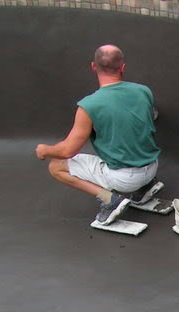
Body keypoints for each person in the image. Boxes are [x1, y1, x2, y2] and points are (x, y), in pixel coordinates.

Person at [35, 45, 160, 225]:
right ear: (123, 67)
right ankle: (144, 188)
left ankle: (110, 200)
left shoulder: (89, 106)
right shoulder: (144, 91)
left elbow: (67, 151)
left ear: (93, 67)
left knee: (56, 166)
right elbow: (150, 116)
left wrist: (44, 150)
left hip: (124, 179)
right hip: (152, 166)